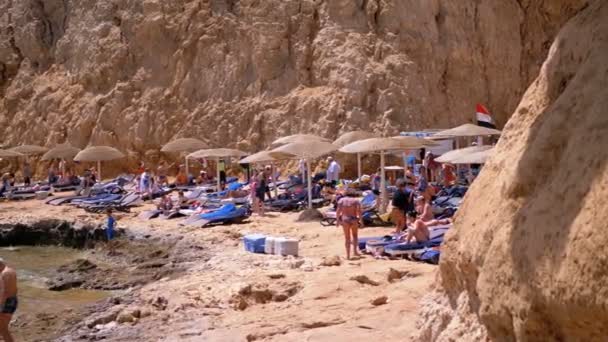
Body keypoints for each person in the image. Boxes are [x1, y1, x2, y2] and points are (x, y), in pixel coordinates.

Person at [336, 191, 362, 260]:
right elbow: (359, 211)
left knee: (347, 238)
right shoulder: (356, 200)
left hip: (345, 220)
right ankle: (355, 251)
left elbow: (338, 211)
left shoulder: (341, 200)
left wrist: (337, 220)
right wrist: (361, 221)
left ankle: (348, 255)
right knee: (355, 236)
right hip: (353, 219)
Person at [0, 258, 17, 342]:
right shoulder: (11, 271)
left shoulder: (4, 273)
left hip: (6, 302)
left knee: (3, 330)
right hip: (13, 300)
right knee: (3, 328)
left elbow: (5, 291)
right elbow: (14, 289)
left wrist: (0, 304)